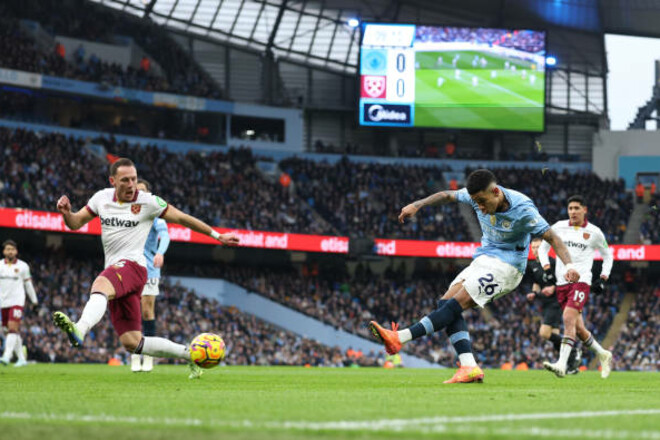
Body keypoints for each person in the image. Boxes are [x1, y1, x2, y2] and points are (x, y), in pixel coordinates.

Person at [369, 169, 580, 383]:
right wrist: (417, 204)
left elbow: (553, 237)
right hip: (484, 259)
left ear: (496, 192)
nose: (478, 207)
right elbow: (446, 195)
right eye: (475, 202)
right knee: (444, 303)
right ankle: (469, 366)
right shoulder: (476, 196)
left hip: (508, 267)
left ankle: (400, 337)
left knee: (454, 305)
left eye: (481, 201)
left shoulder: (523, 209)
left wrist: (569, 265)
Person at [53, 158, 239, 379]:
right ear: (113, 181)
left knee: (100, 284)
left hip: (134, 267)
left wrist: (217, 236)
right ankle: (190, 355)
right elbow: (75, 223)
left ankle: (80, 329)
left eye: (133, 178)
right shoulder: (100, 199)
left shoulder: (148, 202)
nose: (131, 184)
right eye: (125, 180)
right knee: (132, 342)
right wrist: (66, 213)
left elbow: (182, 218)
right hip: (117, 273)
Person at [538, 195, 614, 379]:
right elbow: (542, 248)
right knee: (578, 329)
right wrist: (546, 268)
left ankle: (562, 364)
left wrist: (603, 278)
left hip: (581, 281)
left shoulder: (594, 232)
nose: (572, 211)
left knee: (567, 317)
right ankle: (603, 354)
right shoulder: (558, 227)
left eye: (576, 208)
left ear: (584, 210)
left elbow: (608, 255)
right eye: (570, 208)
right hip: (562, 283)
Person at [129, 179, 170, 373]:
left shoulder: (155, 216)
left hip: (150, 270)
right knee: (132, 310)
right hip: (129, 268)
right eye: (137, 191)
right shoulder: (125, 214)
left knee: (146, 311)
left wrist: (160, 252)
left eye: (143, 191)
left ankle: (149, 355)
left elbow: (166, 235)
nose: (140, 194)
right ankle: (135, 354)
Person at [524, 237, 581, 374]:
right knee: (554, 336)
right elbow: (537, 283)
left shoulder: (553, 263)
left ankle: (574, 351)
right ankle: (571, 365)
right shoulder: (533, 265)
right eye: (533, 248)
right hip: (545, 302)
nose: (536, 250)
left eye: (538, 247)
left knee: (544, 333)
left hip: (556, 301)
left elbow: (564, 280)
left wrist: (554, 288)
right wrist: (533, 293)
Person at [0, 240, 38, 367]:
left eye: (12, 249)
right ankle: (21, 358)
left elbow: (28, 285)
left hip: (17, 301)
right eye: (8, 249)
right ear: (4, 251)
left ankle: (7, 356)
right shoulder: (0, 265)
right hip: (3, 302)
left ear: (16, 251)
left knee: (12, 328)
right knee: (9, 330)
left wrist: (34, 301)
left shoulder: (23, 266)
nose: (10, 251)